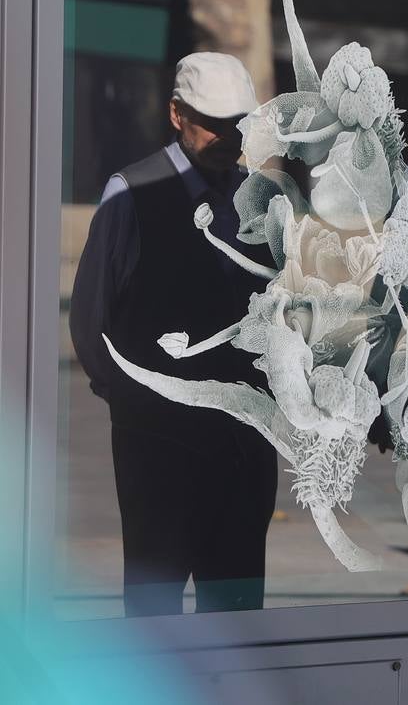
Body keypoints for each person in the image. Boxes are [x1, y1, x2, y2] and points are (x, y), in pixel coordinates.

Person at [69, 52, 278, 617]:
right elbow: (91, 319)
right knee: (154, 614)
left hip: (242, 450)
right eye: (212, 121)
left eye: (239, 123)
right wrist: (130, 398)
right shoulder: (130, 193)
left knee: (235, 614)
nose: (227, 135)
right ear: (176, 114)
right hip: (157, 451)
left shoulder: (261, 198)